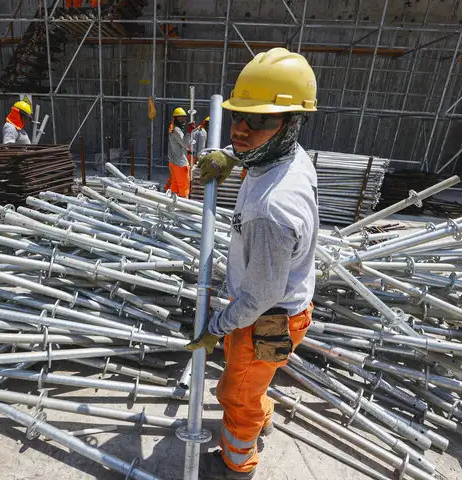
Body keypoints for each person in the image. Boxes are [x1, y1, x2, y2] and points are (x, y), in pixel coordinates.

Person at [186, 47, 319, 479]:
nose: (241, 129)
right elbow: (256, 148)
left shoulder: (272, 210)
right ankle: (261, 412)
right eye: (239, 116)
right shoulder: (289, 155)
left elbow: (260, 296)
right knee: (251, 383)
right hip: (271, 302)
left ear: (290, 123)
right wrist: (233, 156)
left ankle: (237, 462)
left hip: (266, 317)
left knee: (235, 394)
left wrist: (216, 327)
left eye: (258, 120)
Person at [165, 107, 195, 197]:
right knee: (184, 186)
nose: (183, 119)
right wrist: (189, 132)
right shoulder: (177, 130)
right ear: (175, 118)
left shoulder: (172, 129)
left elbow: (178, 145)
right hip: (180, 164)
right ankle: (183, 205)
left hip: (173, 162)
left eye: (183, 117)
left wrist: (186, 151)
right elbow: (185, 143)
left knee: (175, 186)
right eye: (180, 117)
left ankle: (172, 204)